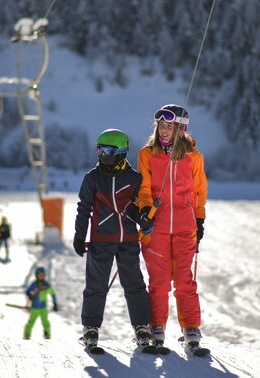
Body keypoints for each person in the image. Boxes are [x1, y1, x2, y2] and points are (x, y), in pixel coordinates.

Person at [73, 129, 153, 350]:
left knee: (134, 284)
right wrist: (80, 236)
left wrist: (144, 219)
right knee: (96, 286)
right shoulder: (92, 178)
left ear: (121, 153)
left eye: (107, 150)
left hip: (127, 240)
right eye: (99, 149)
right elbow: (84, 209)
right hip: (101, 240)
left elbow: (136, 209)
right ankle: (90, 328)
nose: (102, 154)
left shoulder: (134, 178)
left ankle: (141, 327)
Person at [136, 104, 208, 348]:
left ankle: (191, 329)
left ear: (181, 129)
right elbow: (144, 188)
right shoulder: (147, 154)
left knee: (184, 281)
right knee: (158, 281)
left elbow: (199, 192)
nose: (164, 131)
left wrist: (199, 219)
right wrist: (145, 211)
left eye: (169, 126)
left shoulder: (193, 158)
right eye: (161, 126)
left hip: (185, 228)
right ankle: (156, 327)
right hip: (155, 227)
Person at [23, 267, 58, 340]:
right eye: (40, 274)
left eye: (43, 274)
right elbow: (27, 291)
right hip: (34, 308)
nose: (41, 276)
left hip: (43, 308)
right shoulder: (34, 285)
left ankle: (47, 334)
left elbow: (53, 294)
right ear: (36, 275)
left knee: (45, 322)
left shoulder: (46, 285)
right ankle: (26, 335)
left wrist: (55, 303)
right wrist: (30, 295)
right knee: (31, 322)